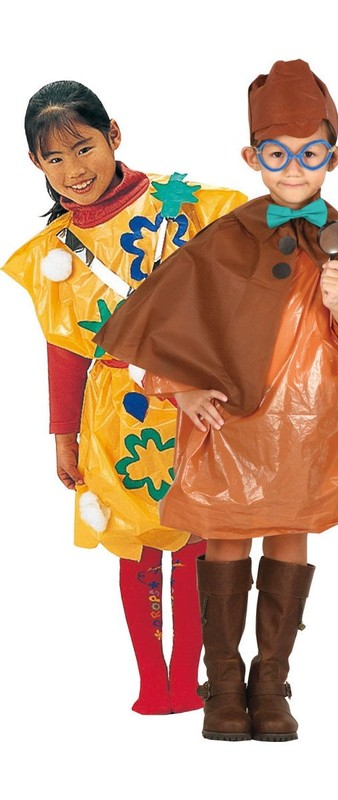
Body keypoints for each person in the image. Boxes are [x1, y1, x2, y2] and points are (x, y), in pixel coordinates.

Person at [94, 59, 338, 742]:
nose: (293, 168)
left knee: (291, 532)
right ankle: (222, 685)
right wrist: (183, 388)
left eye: (309, 154)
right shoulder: (225, 238)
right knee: (228, 535)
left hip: (314, 424)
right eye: (277, 154)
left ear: (334, 158)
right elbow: (160, 326)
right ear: (252, 157)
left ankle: (271, 682)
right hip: (232, 420)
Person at [2, 80, 247, 715]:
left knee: (194, 540)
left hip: (193, 401)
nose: (73, 170)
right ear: (35, 164)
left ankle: (188, 681)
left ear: (113, 134)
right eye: (55, 159)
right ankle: (152, 684)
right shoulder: (54, 252)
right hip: (113, 411)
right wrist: (63, 435)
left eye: (83, 148)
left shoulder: (186, 208)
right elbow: (64, 349)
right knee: (133, 541)